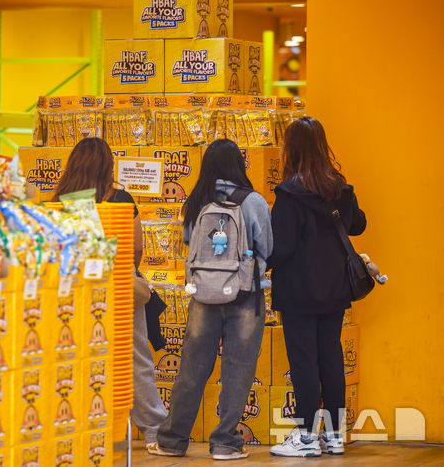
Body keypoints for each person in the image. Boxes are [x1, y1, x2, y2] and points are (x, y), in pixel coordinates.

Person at [153, 139, 273, 460]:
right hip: (245, 295)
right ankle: (225, 443)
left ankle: (172, 440)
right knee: (238, 370)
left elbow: (188, 241)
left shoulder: (196, 201)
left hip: (203, 295)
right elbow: (267, 247)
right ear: (239, 166)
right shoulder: (254, 202)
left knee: (192, 368)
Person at [55, 137, 168, 449]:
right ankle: (155, 430)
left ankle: (81, 425)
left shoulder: (61, 200)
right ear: (107, 165)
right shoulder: (120, 198)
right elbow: (137, 246)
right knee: (135, 359)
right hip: (118, 286)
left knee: (78, 355)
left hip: (75, 287)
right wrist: (127, 272)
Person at [268, 117, 366, 457]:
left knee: (304, 361)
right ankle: (335, 435)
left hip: (298, 291)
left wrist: (259, 259)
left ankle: (307, 436)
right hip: (335, 288)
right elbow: (358, 225)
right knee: (331, 358)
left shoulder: (289, 194)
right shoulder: (340, 189)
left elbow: (281, 248)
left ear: (291, 149)